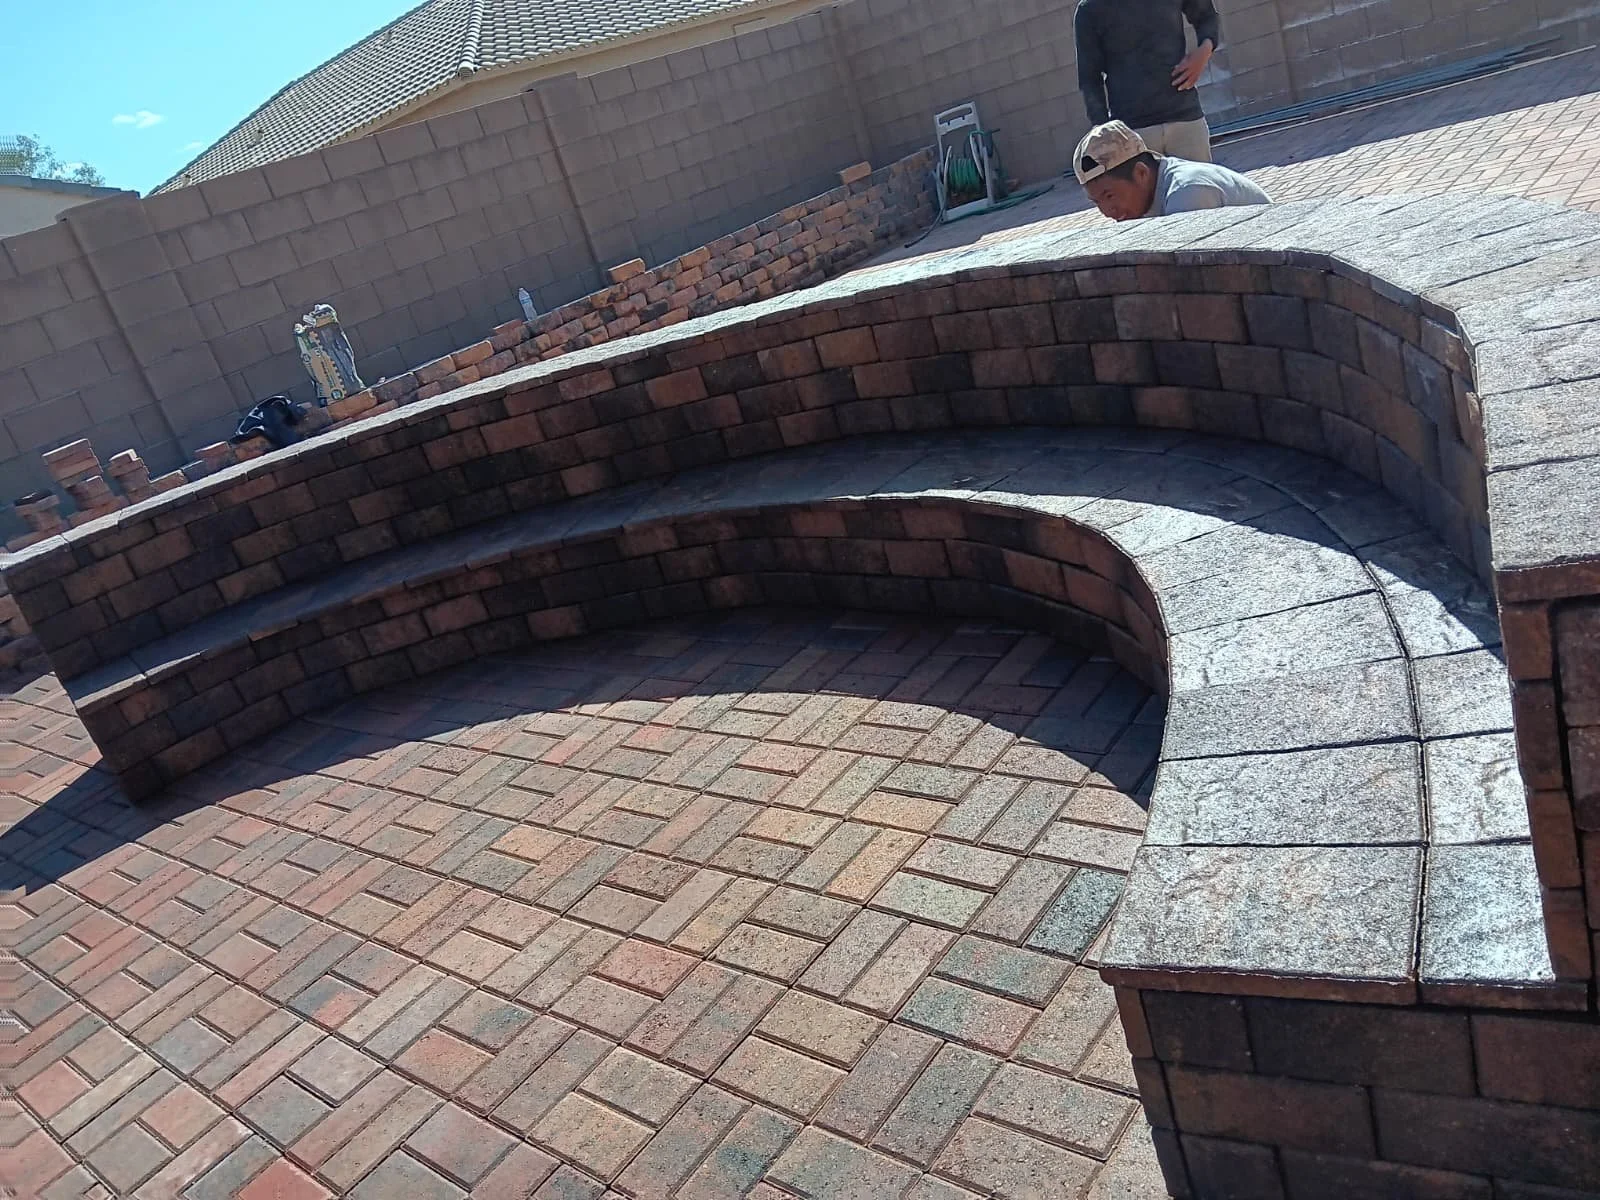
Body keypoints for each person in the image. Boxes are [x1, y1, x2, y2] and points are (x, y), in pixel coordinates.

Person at [1075, 0, 1221, 162]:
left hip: (1185, 119)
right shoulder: (1090, 9)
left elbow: (1206, 16)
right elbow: (1089, 77)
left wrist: (1204, 52)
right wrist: (1105, 132)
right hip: (1132, 133)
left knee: (1201, 187)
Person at [1073, 121, 1270, 222]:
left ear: (1141, 173)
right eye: (1097, 202)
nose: (1107, 212)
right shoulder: (1151, 196)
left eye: (1109, 196)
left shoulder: (1186, 193)